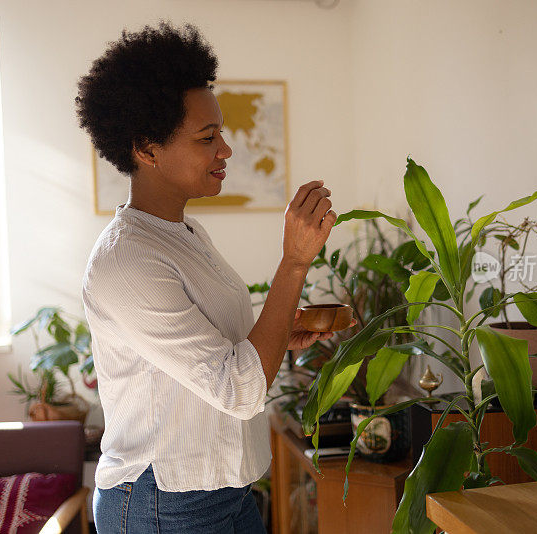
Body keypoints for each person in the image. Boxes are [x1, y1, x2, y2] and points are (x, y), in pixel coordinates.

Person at [76, 21, 347, 533]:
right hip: (165, 504)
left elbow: (207, 357)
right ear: (147, 148)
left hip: (222, 492)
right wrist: (293, 262)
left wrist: (278, 337)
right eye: (208, 137)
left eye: (220, 132)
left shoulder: (184, 233)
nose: (226, 149)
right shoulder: (127, 262)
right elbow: (239, 390)